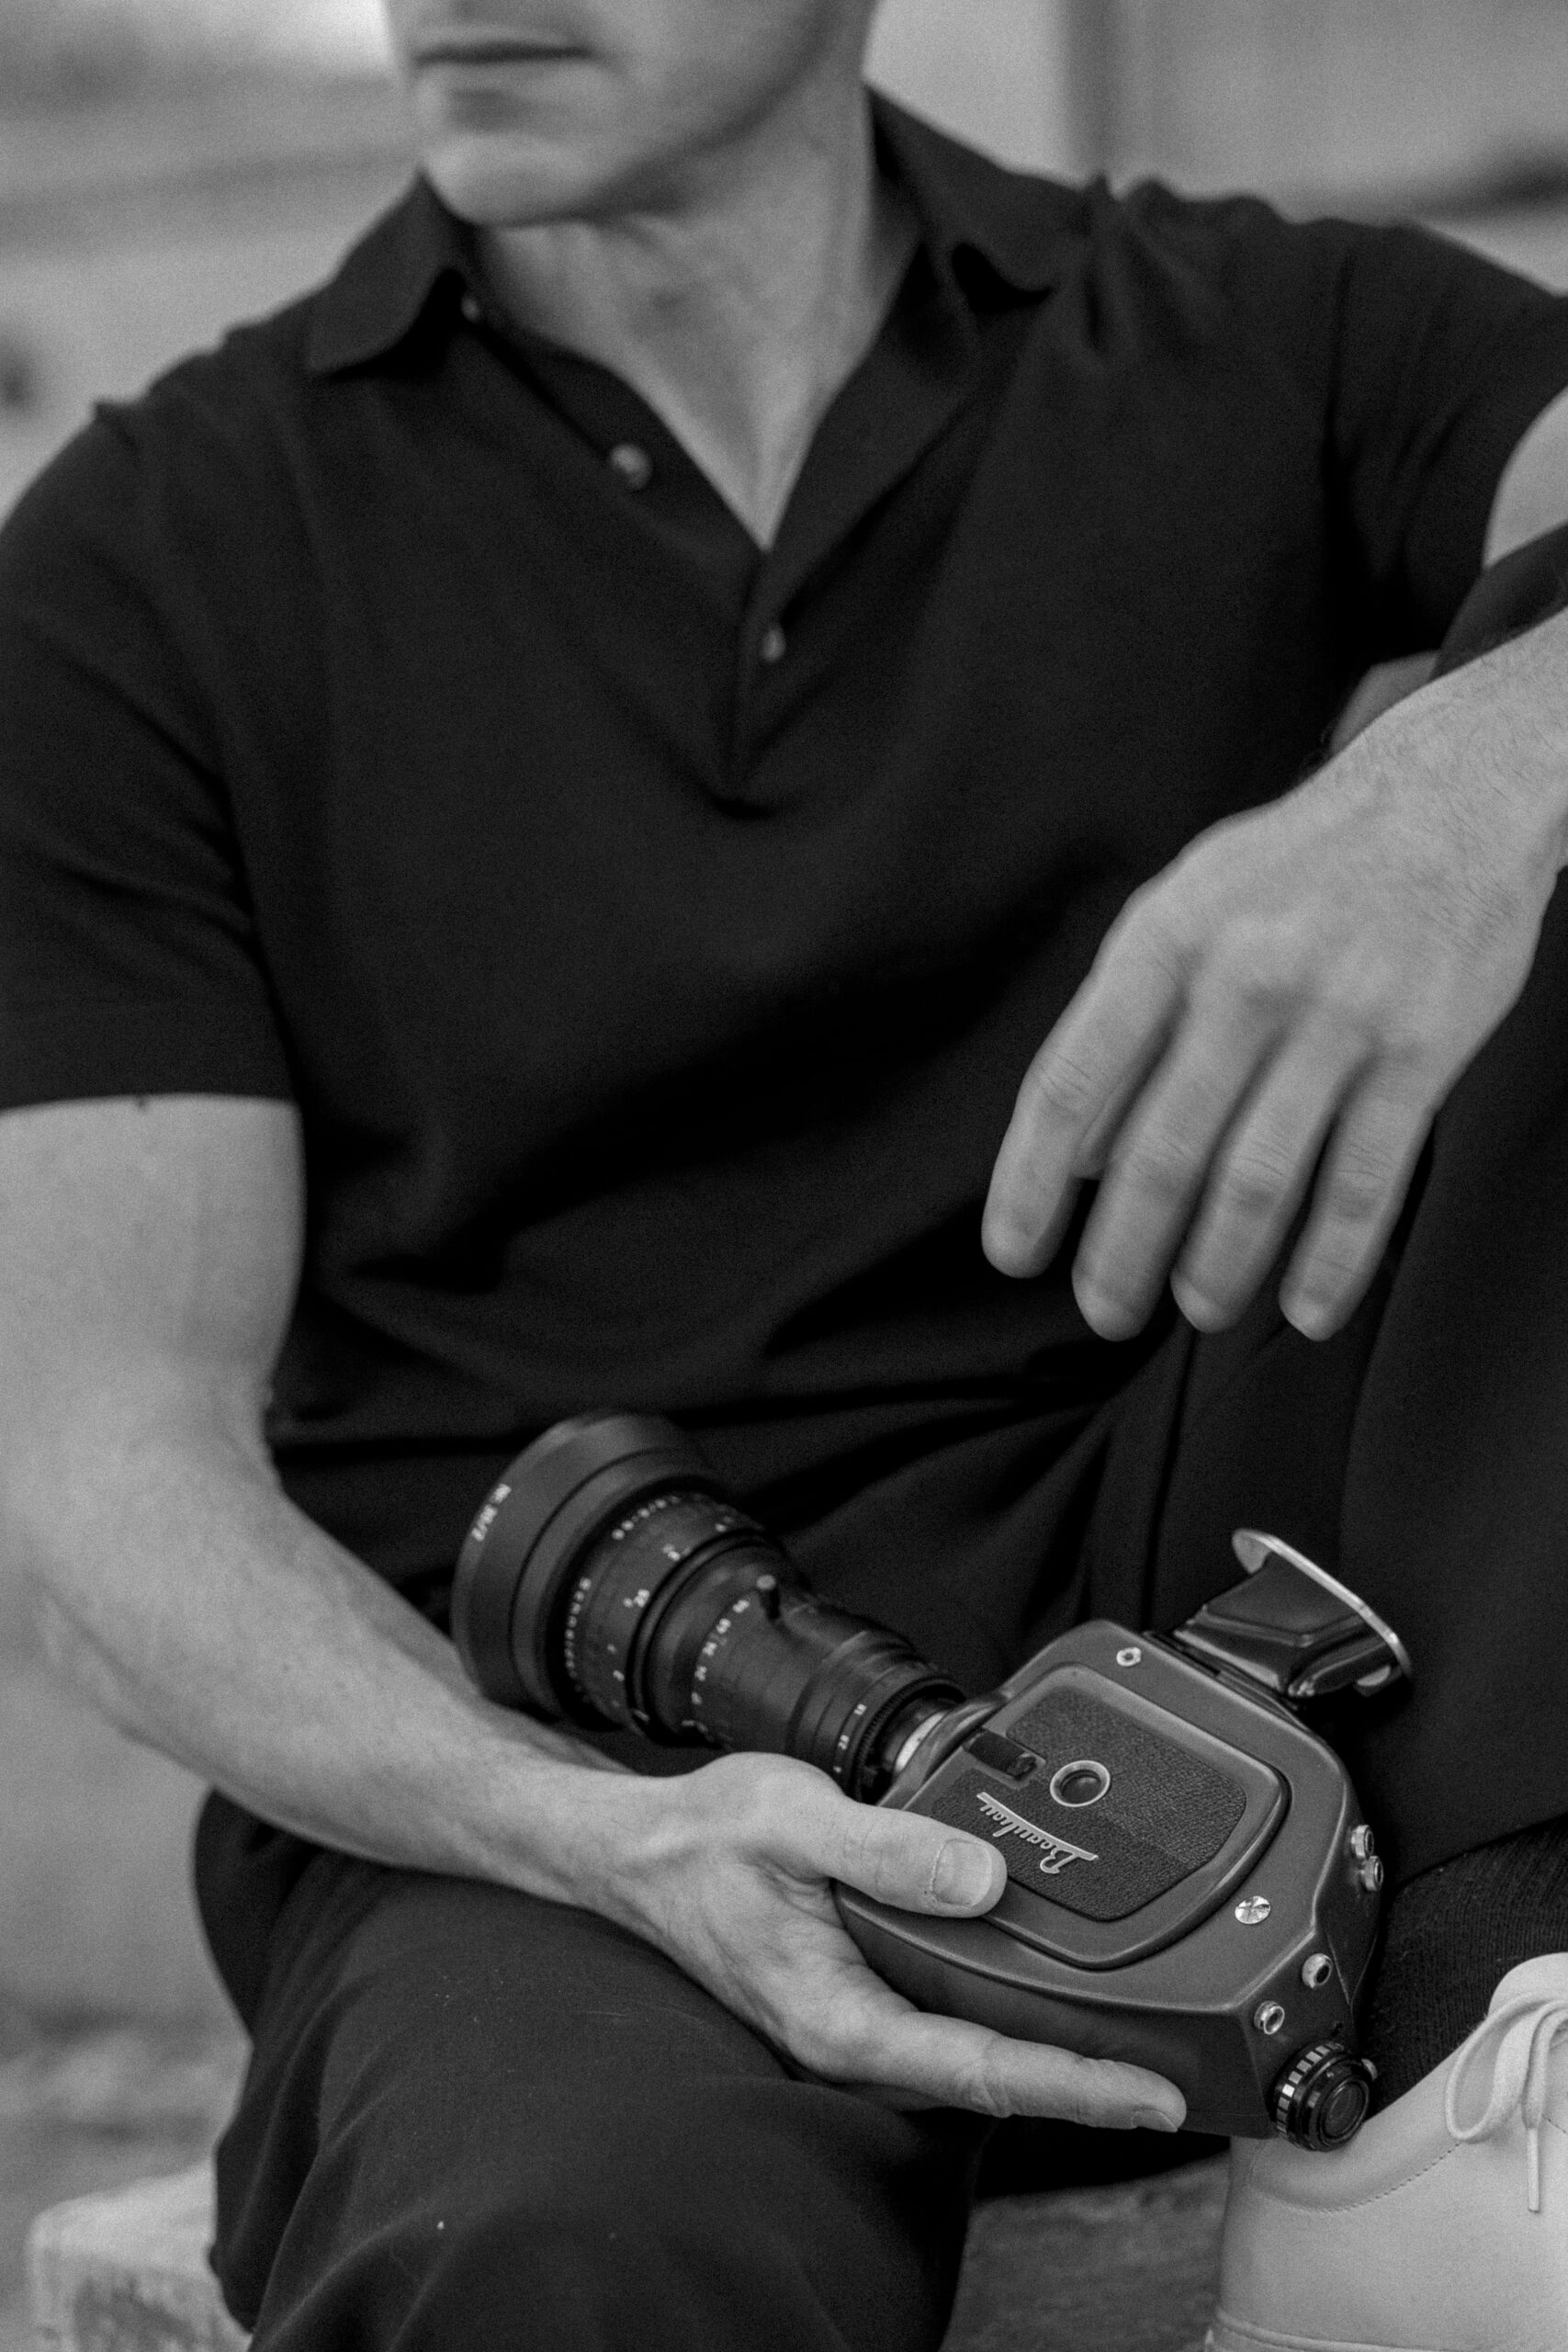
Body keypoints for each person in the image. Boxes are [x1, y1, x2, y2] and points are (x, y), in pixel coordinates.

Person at [2, 5, 1567, 2346]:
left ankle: (1451, 2057)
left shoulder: (1264, 329)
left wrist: (1479, 760)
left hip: (1243, 1589)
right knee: (571, 2246)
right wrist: (586, 1829)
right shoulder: (149, 552)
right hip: (565, 1750)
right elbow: (92, 1473)